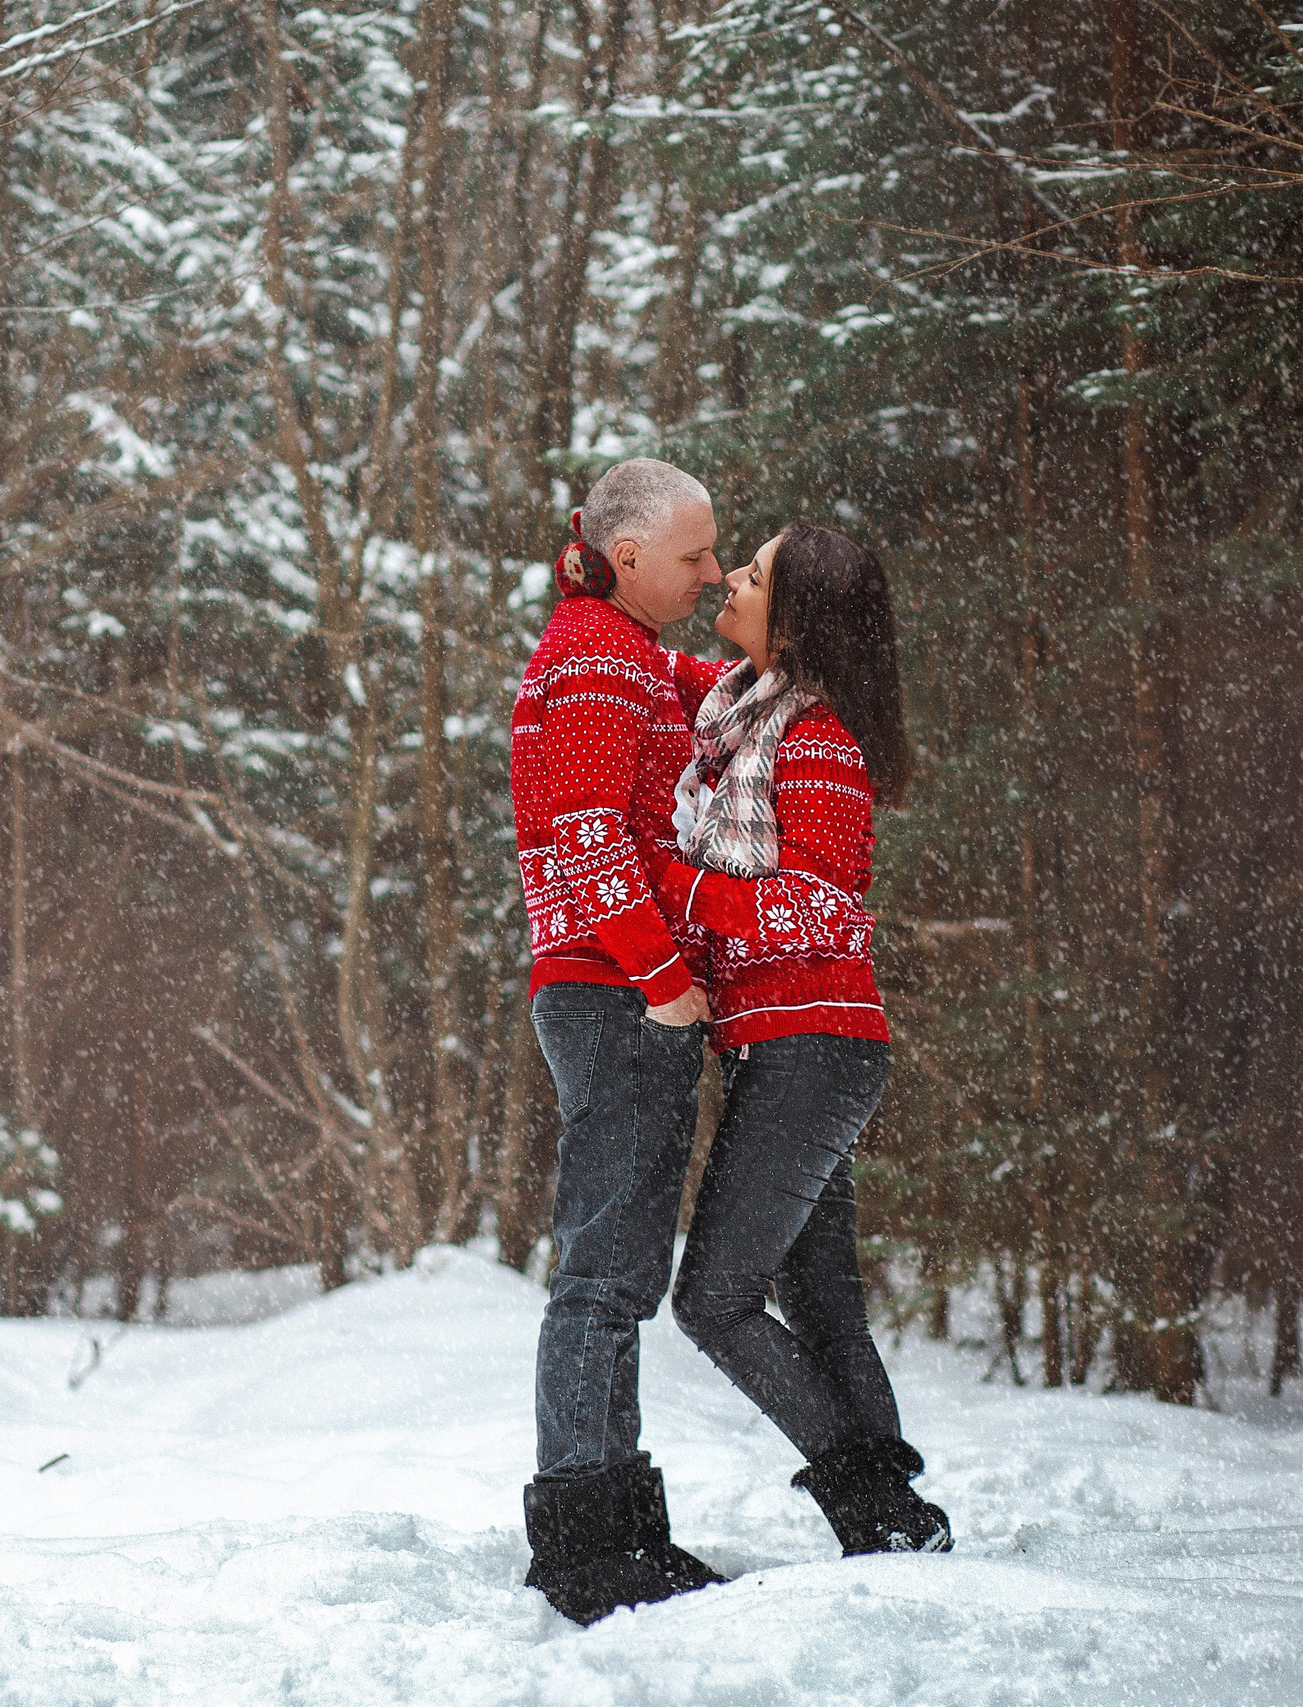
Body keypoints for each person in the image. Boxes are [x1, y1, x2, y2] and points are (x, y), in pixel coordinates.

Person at [657, 522, 953, 1559]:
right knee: (821, 1305)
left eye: (749, 574)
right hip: (786, 1048)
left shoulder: (814, 739)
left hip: (811, 1049)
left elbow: (817, 911)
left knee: (713, 1300)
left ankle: (873, 1498)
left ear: (793, 622)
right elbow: (659, 667)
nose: (727, 581)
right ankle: (894, 1527)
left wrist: (674, 887)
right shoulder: (741, 714)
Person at [510, 458, 731, 1625]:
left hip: (617, 992)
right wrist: (661, 981)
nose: (708, 573)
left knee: (623, 1268)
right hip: (610, 993)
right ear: (629, 555)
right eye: (695, 557)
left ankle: (620, 1532)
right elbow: (586, 830)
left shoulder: (629, 654)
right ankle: (587, 1553)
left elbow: (721, 686)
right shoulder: (596, 659)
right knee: (602, 1273)